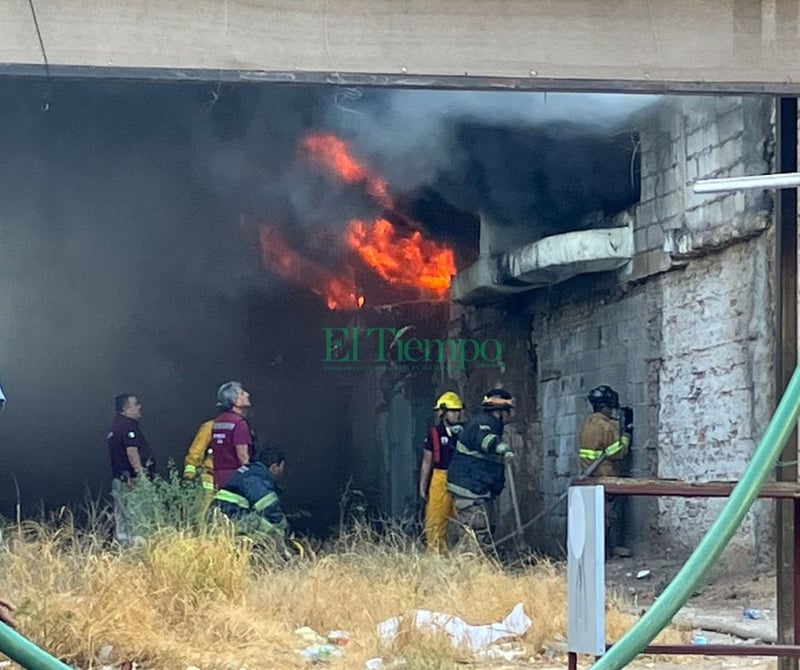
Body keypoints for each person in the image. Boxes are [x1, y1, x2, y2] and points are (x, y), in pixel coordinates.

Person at [446, 388, 515, 552]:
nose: (509, 417)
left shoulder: (488, 423)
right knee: (476, 530)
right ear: (500, 411)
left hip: (478, 487)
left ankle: (478, 566)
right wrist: (499, 447)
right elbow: (483, 441)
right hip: (469, 487)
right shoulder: (484, 423)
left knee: (487, 529)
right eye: (507, 411)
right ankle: (464, 567)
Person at [577, 384, 633, 557]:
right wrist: (626, 434)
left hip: (589, 475)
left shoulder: (587, 424)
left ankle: (599, 551)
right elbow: (618, 452)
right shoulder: (606, 427)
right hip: (605, 476)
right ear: (607, 406)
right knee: (608, 517)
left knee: (595, 516)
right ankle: (607, 551)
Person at [209, 446, 288, 548]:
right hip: (232, 516)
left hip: (220, 516)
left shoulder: (249, 471)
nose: (282, 472)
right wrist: (283, 525)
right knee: (271, 529)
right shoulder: (257, 478)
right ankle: (279, 558)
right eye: (281, 468)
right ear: (274, 467)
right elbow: (268, 507)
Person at [106, 393, 155, 546]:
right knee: (137, 517)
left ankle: (123, 550)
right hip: (131, 481)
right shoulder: (127, 426)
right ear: (126, 408)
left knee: (122, 519)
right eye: (135, 404)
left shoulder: (116, 425)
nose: (139, 407)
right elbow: (131, 451)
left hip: (119, 480)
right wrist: (141, 475)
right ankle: (138, 551)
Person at [419, 391, 463, 553]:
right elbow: (426, 461)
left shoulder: (463, 433)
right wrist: (423, 486)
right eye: (453, 411)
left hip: (460, 478)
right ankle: (435, 553)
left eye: (458, 411)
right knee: (436, 518)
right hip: (440, 477)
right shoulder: (434, 434)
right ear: (443, 413)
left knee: (464, 518)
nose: (457, 414)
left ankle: (464, 554)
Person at [210, 381, 255, 490]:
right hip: (236, 478)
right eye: (242, 393)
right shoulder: (239, 423)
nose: (247, 394)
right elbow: (243, 457)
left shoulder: (217, 422)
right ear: (236, 401)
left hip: (219, 478)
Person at [182, 417, 215, 499]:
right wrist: (189, 475)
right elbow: (196, 452)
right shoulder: (211, 427)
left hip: (230, 481)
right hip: (210, 476)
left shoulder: (242, 428)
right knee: (204, 507)